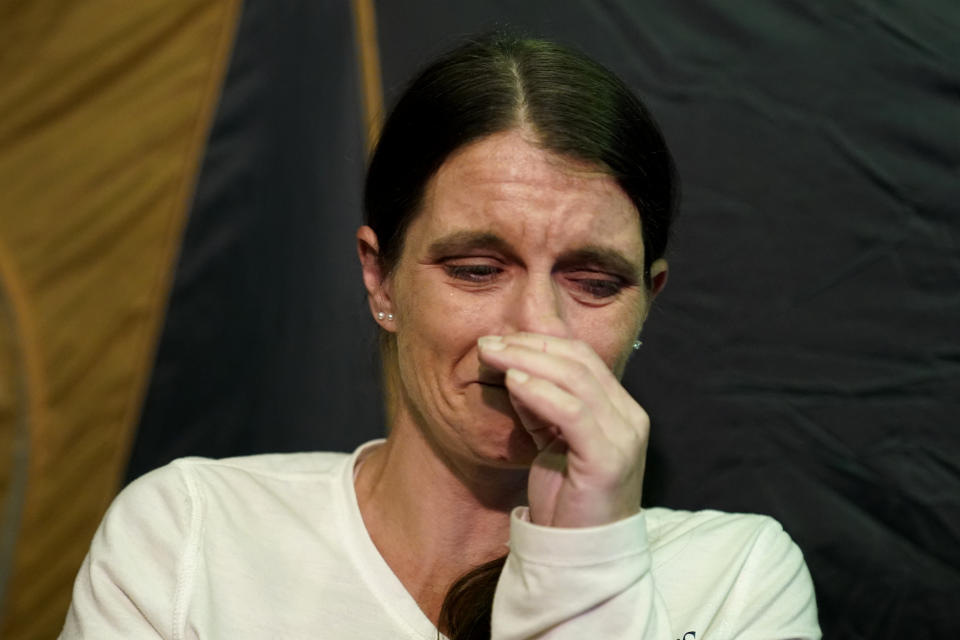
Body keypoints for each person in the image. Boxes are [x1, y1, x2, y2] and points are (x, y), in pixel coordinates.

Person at [60, 34, 820, 639]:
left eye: (593, 281)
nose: (536, 326)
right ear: (381, 280)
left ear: (648, 302)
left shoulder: (738, 579)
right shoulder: (191, 533)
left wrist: (585, 560)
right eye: (478, 268)